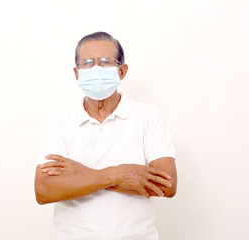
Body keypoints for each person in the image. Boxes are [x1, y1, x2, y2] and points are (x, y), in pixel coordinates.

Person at [34, 32, 177, 240]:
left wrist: (81, 172)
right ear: (76, 73)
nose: (95, 69)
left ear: (122, 71)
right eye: (87, 63)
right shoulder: (60, 122)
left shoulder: (148, 116)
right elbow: (44, 190)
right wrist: (115, 174)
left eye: (105, 62)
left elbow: (167, 184)